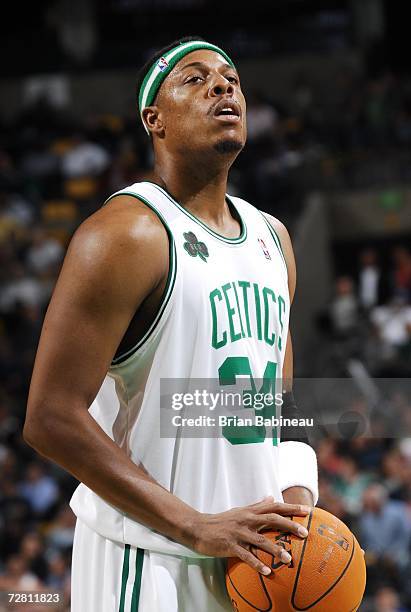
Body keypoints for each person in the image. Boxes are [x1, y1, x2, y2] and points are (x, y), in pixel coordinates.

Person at [24, 37, 319, 611]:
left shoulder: (274, 240)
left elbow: (273, 407)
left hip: (246, 563)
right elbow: (49, 416)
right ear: (153, 120)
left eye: (231, 77)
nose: (223, 85)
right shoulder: (123, 234)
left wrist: (295, 494)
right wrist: (194, 526)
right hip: (148, 563)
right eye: (195, 78)